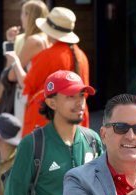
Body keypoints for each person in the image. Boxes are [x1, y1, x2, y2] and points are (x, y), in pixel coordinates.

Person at [1, 70, 103, 195]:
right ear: (51, 102)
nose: (79, 102)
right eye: (70, 97)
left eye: (82, 95)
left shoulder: (93, 141)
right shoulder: (33, 144)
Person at [6, 7, 91, 137]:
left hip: (46, 119)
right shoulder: (82, 56)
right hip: (75, 117)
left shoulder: (48, 56)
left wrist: (15, 62)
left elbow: (26, 84)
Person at [0, 0, 49, 123]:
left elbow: (10, 74)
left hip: (26, 96)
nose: (20, 17)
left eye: (23, 13)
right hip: (42, 96)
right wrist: (11, 43)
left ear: (29, 16)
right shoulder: (47, 39)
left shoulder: (33, 41)